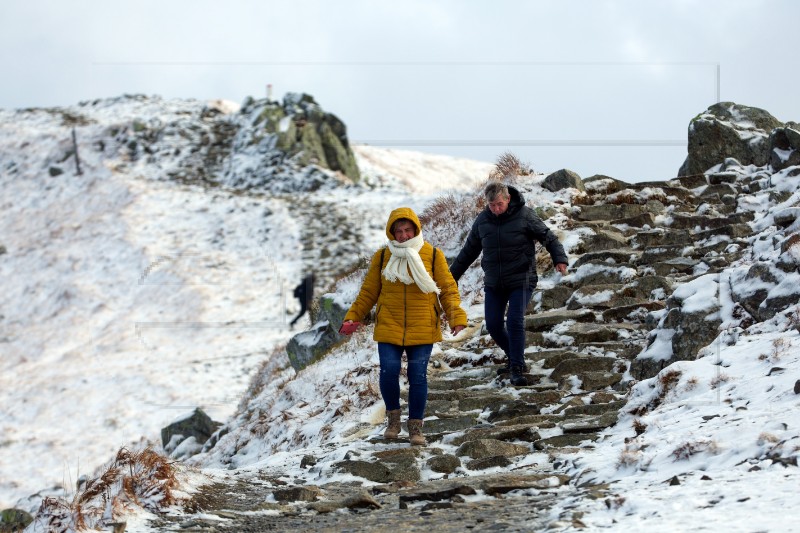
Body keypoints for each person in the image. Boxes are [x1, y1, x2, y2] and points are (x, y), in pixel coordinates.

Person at [339, 207, 467, 446]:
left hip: (423, 325)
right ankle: (393, 420)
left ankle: (416, 427)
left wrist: (456, 316)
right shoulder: (381, 257)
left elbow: (448, 288)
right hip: (389, 323)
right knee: (388, 370)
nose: (404, 235)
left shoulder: (432, 254)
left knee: (417, 375)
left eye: (408, 230)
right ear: (391, 233)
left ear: (416, 229)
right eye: (398, 231)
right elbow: (369, 292)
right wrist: (352, 316)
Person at [449, 182, 568, 387]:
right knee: (493, 325)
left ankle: (517, 367)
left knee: (514, 320)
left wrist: (559, 259)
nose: (495, 209)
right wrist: (450, 277)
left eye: (499, 205)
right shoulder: (483, 221)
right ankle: (514, 357)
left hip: (521, 279)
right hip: (495, 282)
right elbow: (469, 251)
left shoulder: (525, 215)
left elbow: (548, 237)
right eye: (492, 205)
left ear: (508, 199)